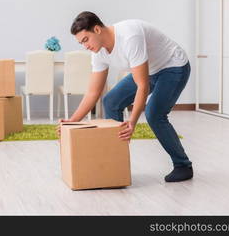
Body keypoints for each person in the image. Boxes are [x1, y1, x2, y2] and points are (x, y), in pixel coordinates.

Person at [58, 11, 193, 182]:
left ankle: (183, 165)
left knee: (154, 114)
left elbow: (142, 86)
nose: (85, 46)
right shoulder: (98, 52)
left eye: (86, 40)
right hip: (149, 70)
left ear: (97, 30)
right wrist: (73, 120)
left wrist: (132, 123)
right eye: (81, 43)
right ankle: (116, 162)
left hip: (173, 66)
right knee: (111, 101)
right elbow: (94, 92)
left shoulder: (129, 37)